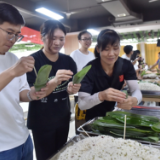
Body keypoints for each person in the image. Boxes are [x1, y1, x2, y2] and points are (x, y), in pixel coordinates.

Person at [0, 3, 49, 160]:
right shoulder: (16, 65)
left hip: (23, 138)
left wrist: (33, 94)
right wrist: (13, 71)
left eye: (17, 34)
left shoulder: (14, 58)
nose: (13, 39)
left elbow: (21, 95)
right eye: (9, 32)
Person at [26, 20, 81, 160]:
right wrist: (55, 81)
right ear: (42, 37)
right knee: (45, 157)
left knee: (62, 155)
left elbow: (71, 87)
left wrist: (72, 89)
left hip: (62, 117)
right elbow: (34, 93)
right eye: (52, 38)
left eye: (61, 39)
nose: (57, 42)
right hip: (41, 121)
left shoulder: (68, 61)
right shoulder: (32, 61)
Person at [78, 29, 142, 121]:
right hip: (93, 118)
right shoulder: (89, 69)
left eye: (115, 48)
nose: (111, 54)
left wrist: (135, 100)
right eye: (106, 49)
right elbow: (82, 104)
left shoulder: (125, 65)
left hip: (115, 115)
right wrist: (101, 96)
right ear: (98, 49)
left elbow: (135, 89)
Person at [70, 30, 95, 134]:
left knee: (91, 120)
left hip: (92, 92)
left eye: (90, 38)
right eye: (85, 39)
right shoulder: (74, 54)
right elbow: (72, 74)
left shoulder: (92, 54)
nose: (88, 41)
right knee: (81, 122)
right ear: (79, 40)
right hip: (79, 93)